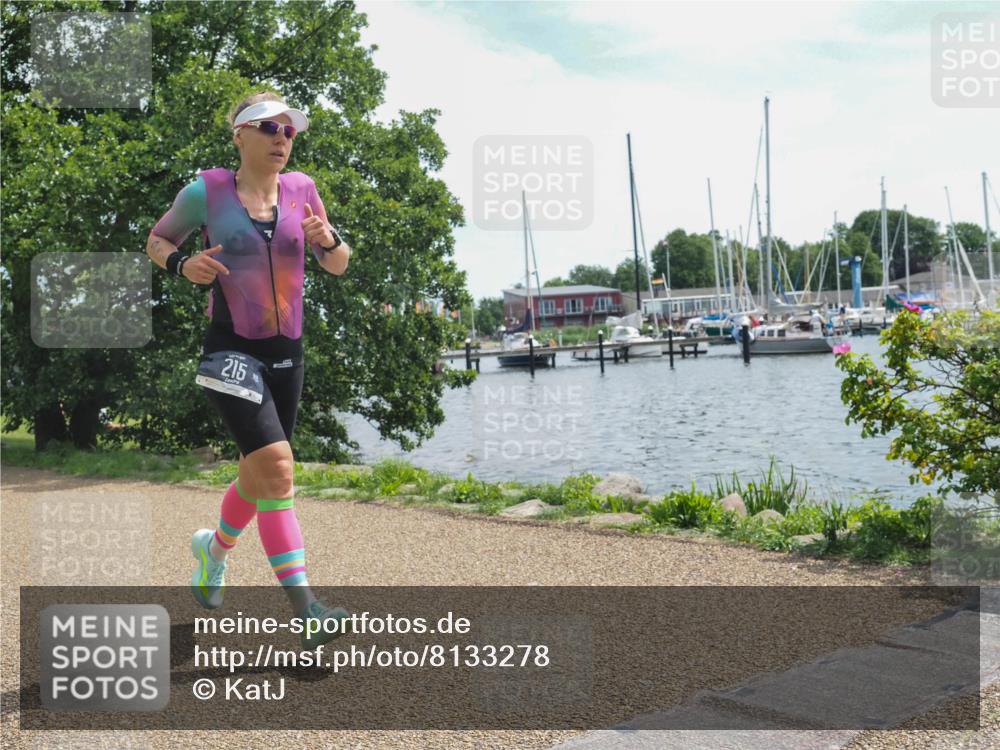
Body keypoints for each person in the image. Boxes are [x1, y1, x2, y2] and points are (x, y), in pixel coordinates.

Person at [146, 91, 352, 650]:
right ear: (240, 135)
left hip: (289, 353)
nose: (281, 138)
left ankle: (212, 551)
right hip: (230, 350)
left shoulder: (303, 190)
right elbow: (158, 239)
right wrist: (181, 263)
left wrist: (327, 240)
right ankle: (307, 608)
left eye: (288, 131)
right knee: (280, 473)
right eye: (268, 128)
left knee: (258, 472)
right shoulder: (206, 191)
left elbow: (337, 262)